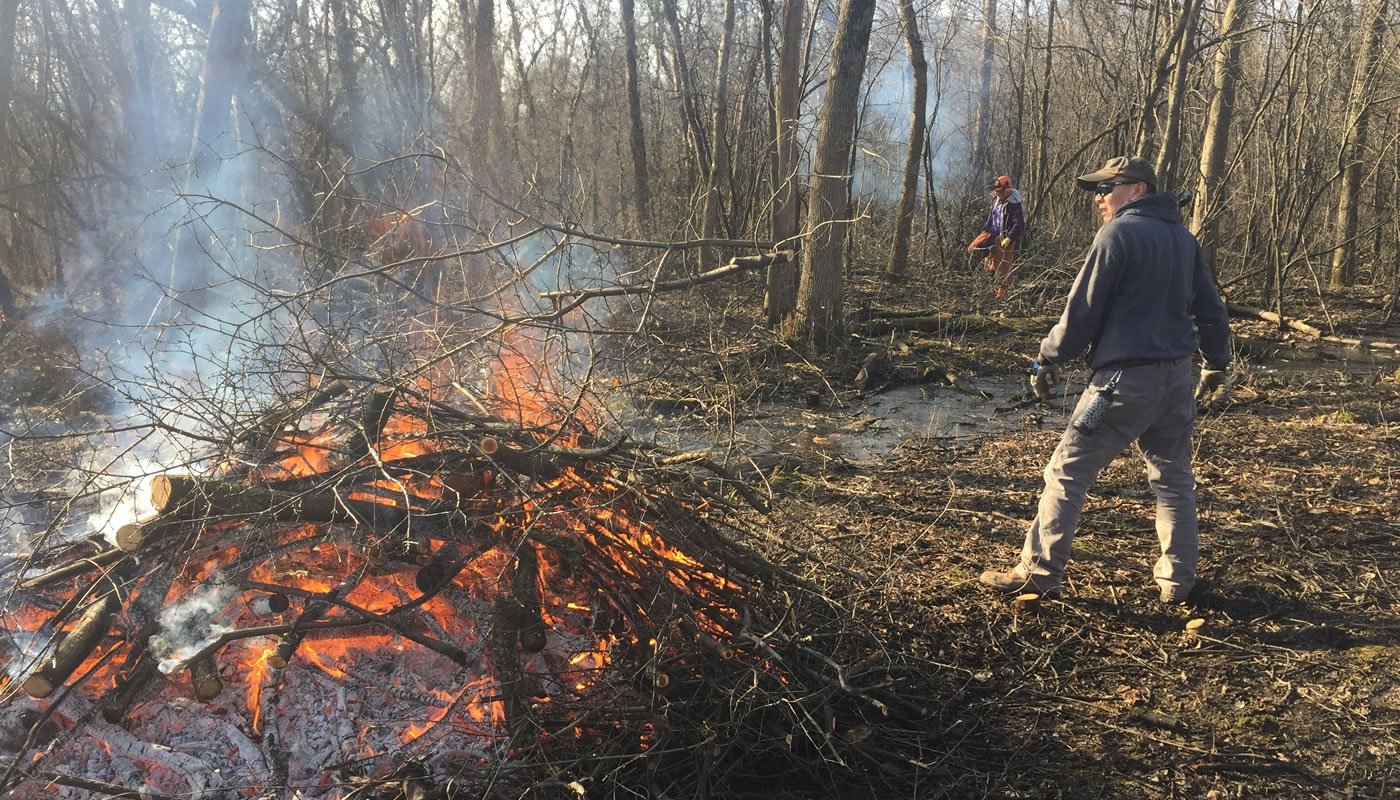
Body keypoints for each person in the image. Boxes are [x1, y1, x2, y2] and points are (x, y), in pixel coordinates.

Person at [979, 155, 1232, 604]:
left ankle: (1038, 572)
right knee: (1173, 479)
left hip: (1119, 385)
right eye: (1097, 190)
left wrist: (1047, 357)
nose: (1098, 198)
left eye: (1105, 188)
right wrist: (1215, 364)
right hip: (1176, 378)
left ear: (1137, 189)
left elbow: (1082, 312)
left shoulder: (1119, 233)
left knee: (1066, 471)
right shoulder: (1183, 239)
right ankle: (1178, 581)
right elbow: (1211, 310)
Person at [967, 175, 1024, 299]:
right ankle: (988, 267)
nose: (996, 193)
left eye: (999, 191)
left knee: (1004, 269)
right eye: (996, 191)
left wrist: (1009, 238)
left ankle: (1002, 296)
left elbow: (1019, 224)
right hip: (990, 232)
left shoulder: (1014, 205)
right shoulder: (997, 200)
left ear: (1007, 189)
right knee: (973, 249)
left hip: (1003, 238)